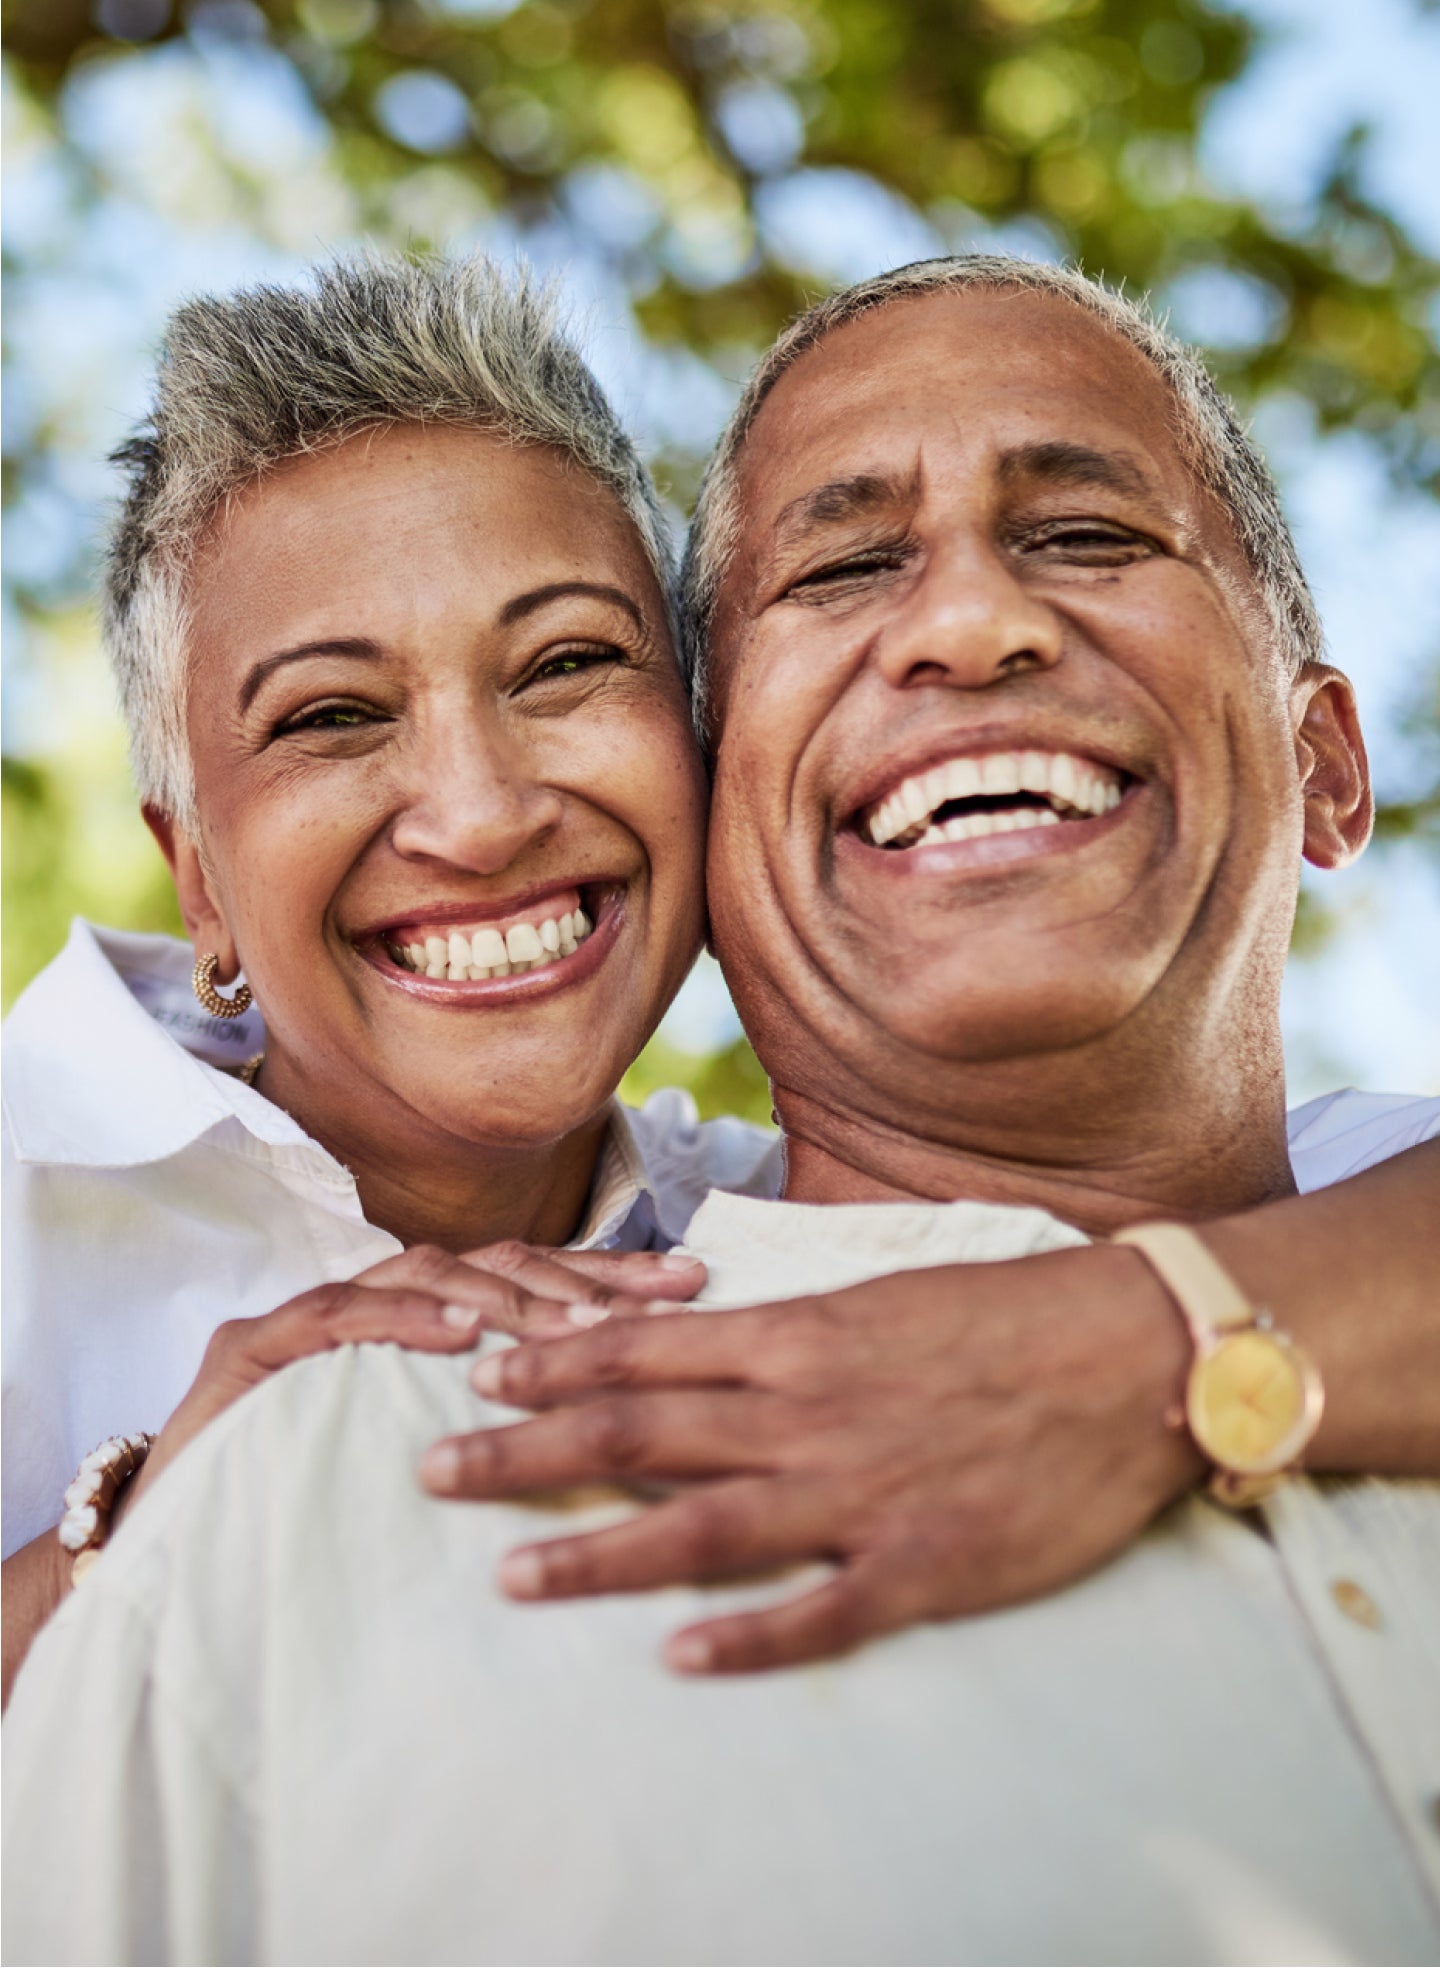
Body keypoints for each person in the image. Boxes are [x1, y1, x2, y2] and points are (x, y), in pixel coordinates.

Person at [5, 256, 1437, 1966]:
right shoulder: (291, 1466)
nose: (477, 812)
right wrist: (136, 1556)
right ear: (200, 891)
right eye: (329, 716)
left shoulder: (1333, 1236)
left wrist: (1153, 1343)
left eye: (565, 668)